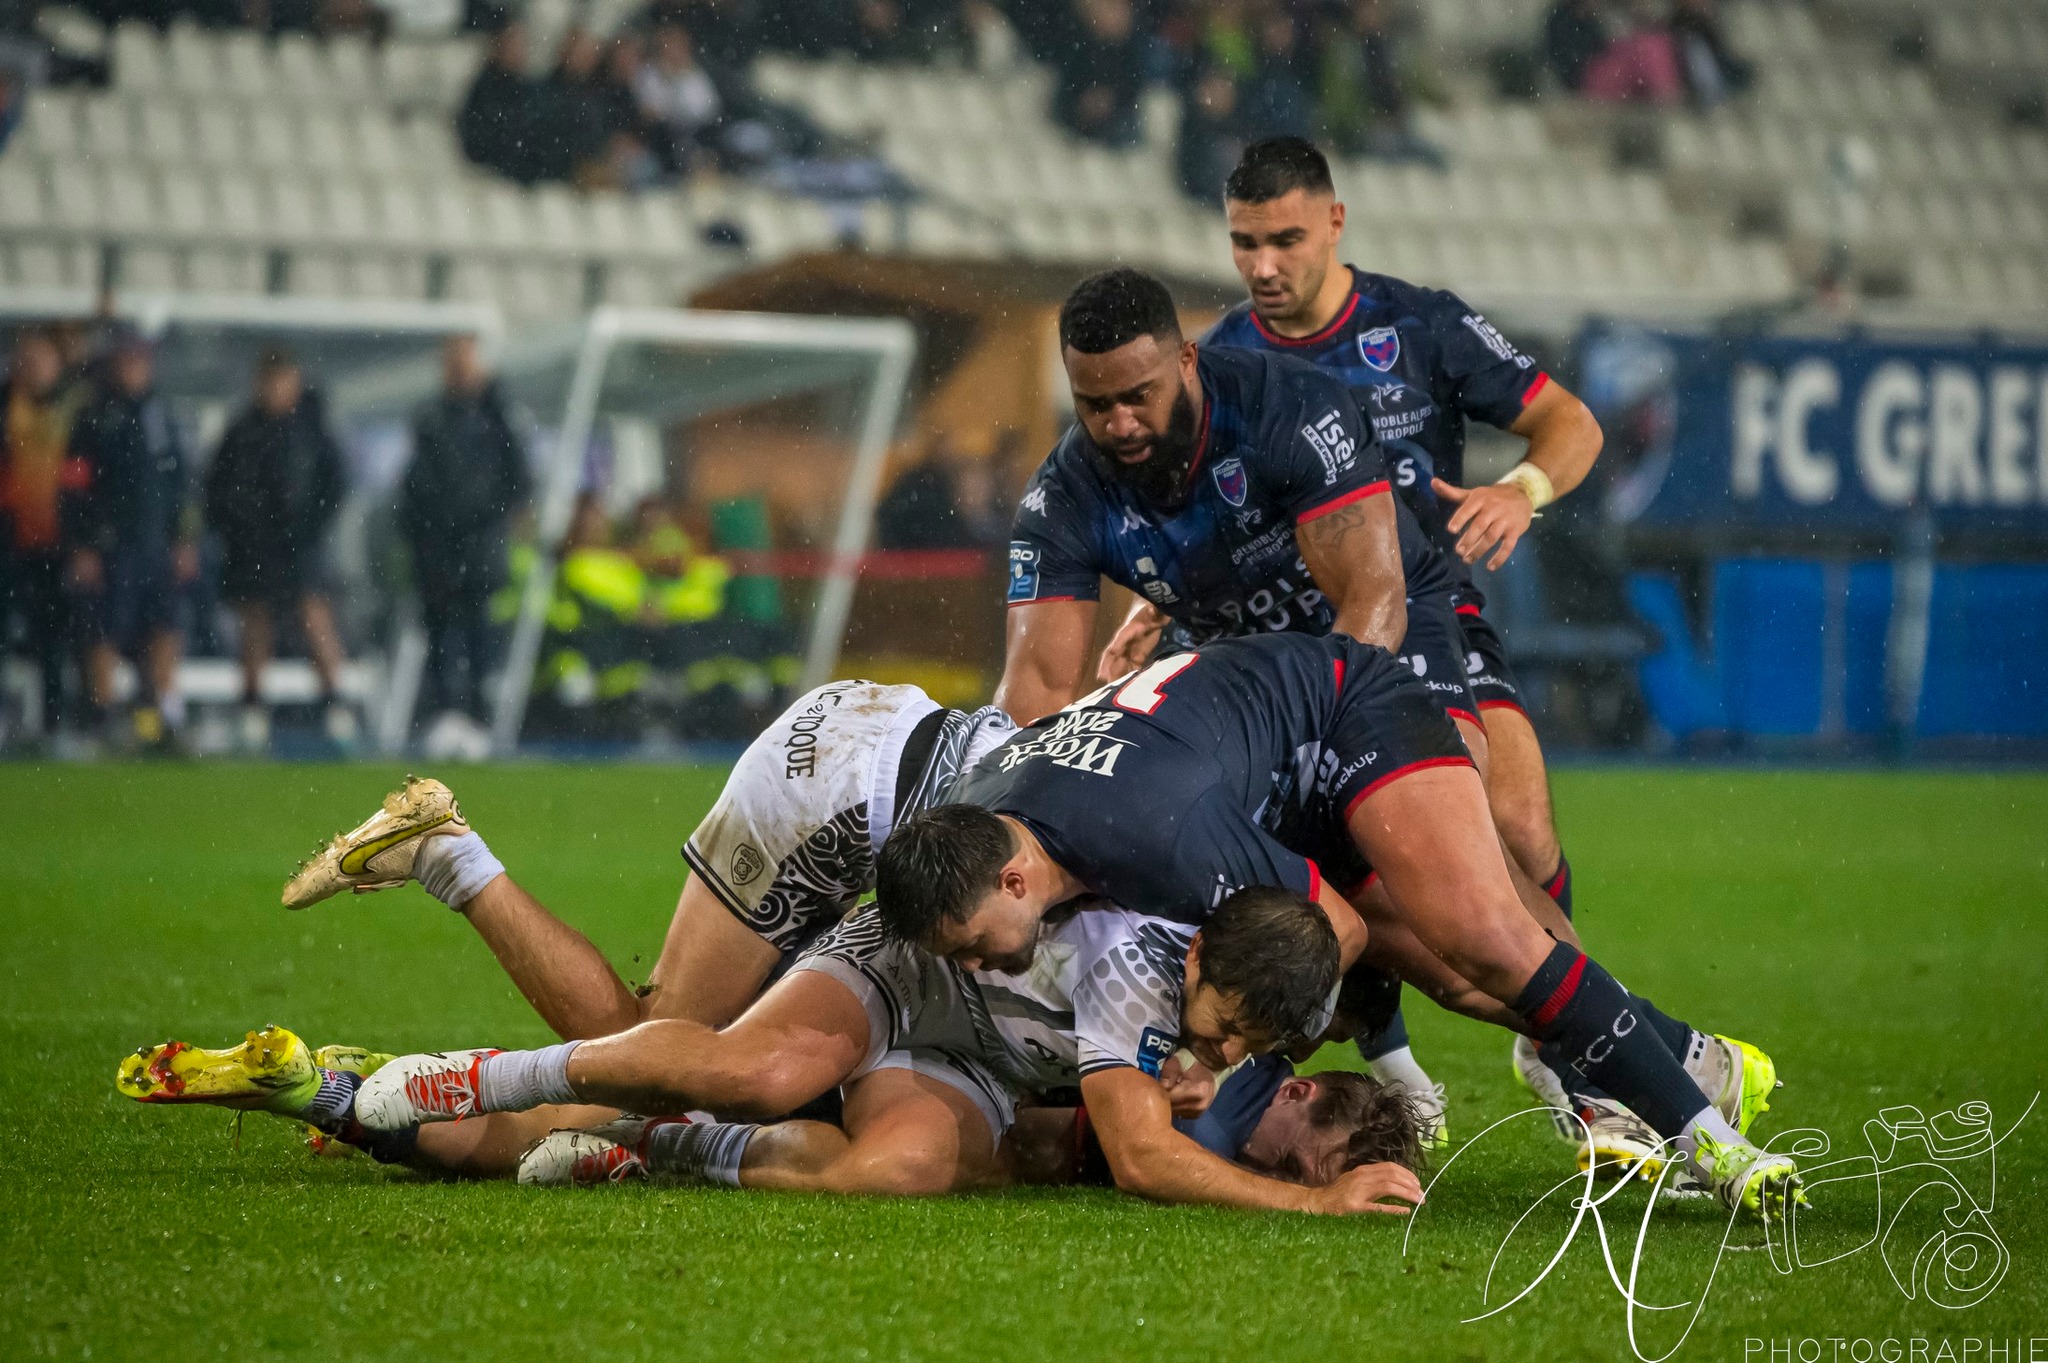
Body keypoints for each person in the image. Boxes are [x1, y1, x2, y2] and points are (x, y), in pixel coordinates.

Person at [881, 631, 1800, 1219]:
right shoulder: (982, 812)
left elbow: (1337, 934)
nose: (975, 963)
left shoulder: (1161, 840)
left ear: (1013, 877)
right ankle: (1691, 1054)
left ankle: (1716, 1143)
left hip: (1344, 715)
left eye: (969, 944)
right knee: (1452, 974)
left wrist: (1220, 1052)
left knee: (1483, 942)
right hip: (1252, 781)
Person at [991, 267, 1492, 1138]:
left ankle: (1598, 1062)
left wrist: (1314, 775)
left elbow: (1373, 608)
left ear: (1186, 358)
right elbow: (1033, 701)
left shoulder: (1290, 410)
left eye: (1137, 396)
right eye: (1094, 404)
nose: (1118, 423)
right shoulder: (1065, 494)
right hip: (1232, 683)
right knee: (1357, 913)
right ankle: (1397, 1066)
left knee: (1485, 859)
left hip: (1379, 641)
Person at [1200, 137, 1608, 1122]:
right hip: (1301, 638)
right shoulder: (1219, 358)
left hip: (1435, 610)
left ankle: (1551, 1030)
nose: (1262, 266)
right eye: (1243, 243)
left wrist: (1522, 488)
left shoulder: (1415, 324)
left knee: (1517, 827)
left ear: (1333, 222)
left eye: (1284, 239)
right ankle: (1449, 1046)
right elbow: (1186, 506)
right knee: (1385, 843)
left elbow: (1570, 423)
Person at [201, 347, 352, 750]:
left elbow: (335, 484)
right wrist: (241, 526)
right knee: (256, 622)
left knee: (313, 616)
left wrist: (308, 524)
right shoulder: (243, 430)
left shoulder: (312, 429)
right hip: (255, 547)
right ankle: (252, 708)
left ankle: (335, 705)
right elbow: (217, 487)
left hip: (301, 544)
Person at [64, 326, 197, 747]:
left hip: (155, 543)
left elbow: (182, 482)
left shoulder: (164, 414)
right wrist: (83, 543)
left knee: (163, 628)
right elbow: (74, 486)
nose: (135, 367)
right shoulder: (93, 416)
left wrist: (184, 538)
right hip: (111, 545)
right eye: (128, 358)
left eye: (141, 359)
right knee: (105, 630)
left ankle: (162, 716)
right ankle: (104, 716)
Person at [400, 335, 529, 738]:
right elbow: (417, 483)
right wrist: (424, 531)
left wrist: (489, 519)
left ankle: (477, 718)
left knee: (478, 635)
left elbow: (517, 477)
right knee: (440, 634)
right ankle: (442, 716)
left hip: (479, 547)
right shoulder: (432, 418)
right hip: (439, 548)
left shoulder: (499, 415)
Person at [1, 326, 81, 738]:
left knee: (54, 640)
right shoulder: (6, 406)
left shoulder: (76, 409)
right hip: (8, 543)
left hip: (56, 545)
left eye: (41, 360)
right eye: (25, 360)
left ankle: (54, 726)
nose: (31, 369)